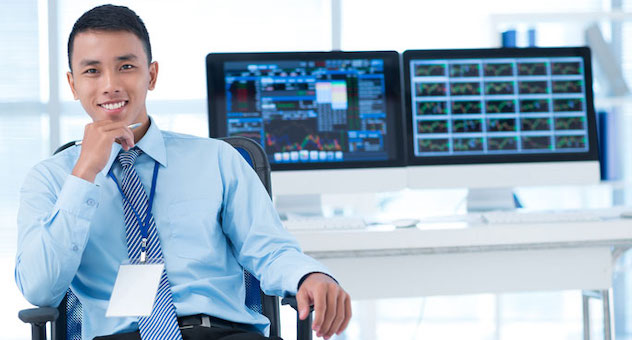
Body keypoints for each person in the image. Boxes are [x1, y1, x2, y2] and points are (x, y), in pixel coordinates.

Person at [15, 4, 350, 340]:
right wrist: (85, 172)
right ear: (73, 85)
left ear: (152, 75)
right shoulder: (50, 179)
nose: (110, 85)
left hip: (221, 332)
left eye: (126, 66)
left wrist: (309, 276)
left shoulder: (218, 160)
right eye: (92, 72)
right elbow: (39, 289)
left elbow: (269, 248)